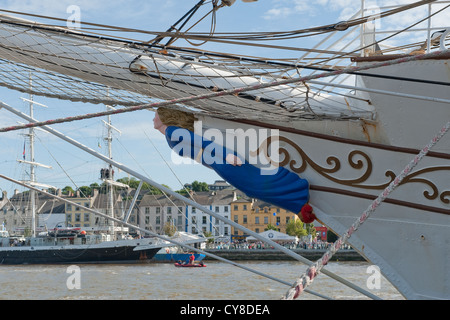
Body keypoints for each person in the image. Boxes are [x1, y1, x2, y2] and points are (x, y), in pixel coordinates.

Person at [153, 107, 316, 224]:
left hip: (221, 160)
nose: (153, 119)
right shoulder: (171, 132)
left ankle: (296, 193)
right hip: (216, 162)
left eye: (155, 115)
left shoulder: (171, 132)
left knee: (252, 186)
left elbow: (202, 142)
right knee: (251, 186)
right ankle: (297, 200)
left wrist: (227, 156)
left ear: (164, 117)